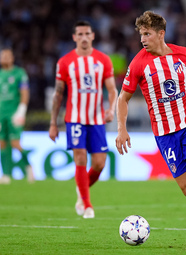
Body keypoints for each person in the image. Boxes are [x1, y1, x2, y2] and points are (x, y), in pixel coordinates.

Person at [115, 11, 186, 246]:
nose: (142, 39)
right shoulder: (139, 62)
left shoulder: (185, 55)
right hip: (164, 134)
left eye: (147, 34)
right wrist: (122, 129)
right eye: (141, 34)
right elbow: (123, 99)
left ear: (160, 34)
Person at [49, 21, 118, 219]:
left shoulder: (103, 60)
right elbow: (58, 94)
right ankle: (87, 205)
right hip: (75, 119)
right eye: (80, 34)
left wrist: (111, 110)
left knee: (99, 164)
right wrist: (53, 123)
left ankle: (81, 189)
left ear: (93, 35)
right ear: (74, 37)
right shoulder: (65, 62)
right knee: (80, 158)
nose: (84, 37)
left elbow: (112, 90)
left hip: (97, 119)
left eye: (87, 33)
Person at [0, 48, 34, 184]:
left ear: (13, 58)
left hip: (14, 113)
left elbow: (24, 93)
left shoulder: (19, 73)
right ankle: (6, 174)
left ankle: (28, 167)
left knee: (15, 143)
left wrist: (21, 111)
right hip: (1, 114)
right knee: (2, 144)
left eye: (8, 56)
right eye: (3, 56)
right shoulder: (0, 74)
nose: (5, 58)